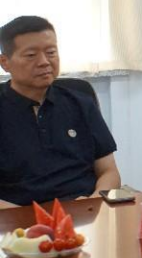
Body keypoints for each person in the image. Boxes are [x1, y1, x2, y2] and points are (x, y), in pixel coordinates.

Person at [0, 16, 121, 208]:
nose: (44, 62)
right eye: (31, 55)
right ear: (5, 62)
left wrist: (94, 201)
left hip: (84, 210)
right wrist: (21, 217)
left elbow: (109, 172)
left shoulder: (81, 103)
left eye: (51, 52)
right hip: (19, 217)